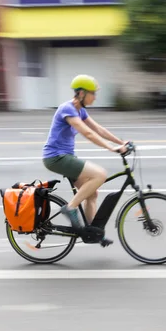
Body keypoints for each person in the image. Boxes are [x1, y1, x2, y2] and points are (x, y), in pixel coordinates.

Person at [42, 74, 128, 234]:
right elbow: (88, 133)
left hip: (66, 157)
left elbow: (98, 129)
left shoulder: (79, 111)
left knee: (92, 193)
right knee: (100, 175)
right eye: (92, 93)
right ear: (81, 93)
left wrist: (121, 143)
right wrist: (112, 148)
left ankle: (93, 232)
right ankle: (70, 207)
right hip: (55, 157)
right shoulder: (67, 109)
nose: (95, 97)